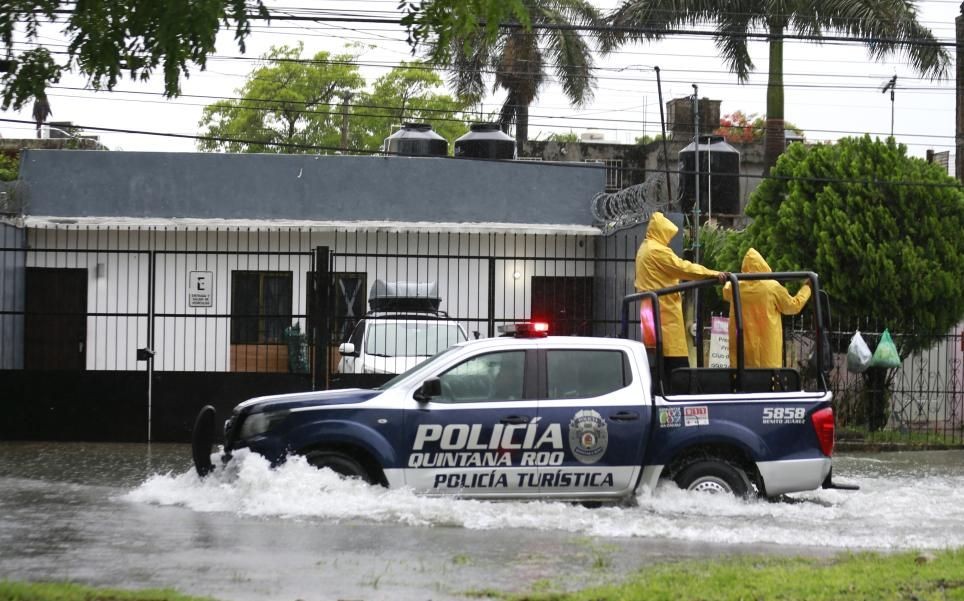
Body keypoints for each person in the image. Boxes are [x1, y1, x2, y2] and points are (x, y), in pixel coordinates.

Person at [635, 212, 726, 385]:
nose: (669, 240)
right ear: (661, 232)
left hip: (650, 313)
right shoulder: (657, 251)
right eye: (667, 235)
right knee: (677, 367)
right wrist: (713, 273)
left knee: (658, 366)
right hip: (665, 313)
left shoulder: (644, 249)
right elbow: (683, 268)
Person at [722, 248, 811, 369]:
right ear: (763, 265)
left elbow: (726, 290)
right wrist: (807, 288)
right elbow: (793, 306)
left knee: (742, 386)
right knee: (768, 385)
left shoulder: (733, 287)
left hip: (742, 356)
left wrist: (728, 278)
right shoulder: (772, 287)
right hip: (767, 356)